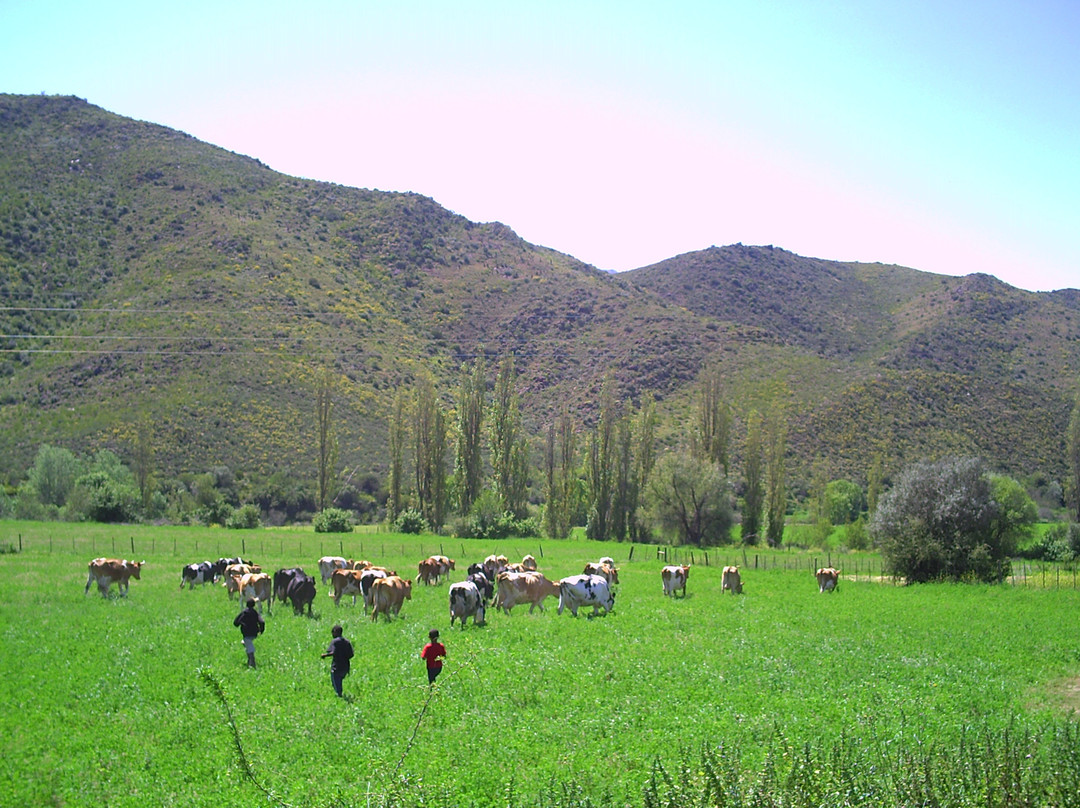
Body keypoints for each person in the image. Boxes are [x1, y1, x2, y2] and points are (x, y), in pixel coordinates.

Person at [321, 624, 354, 697]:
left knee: (336, 682)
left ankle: (340, 696)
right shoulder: (347, 642)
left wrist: (325, 655)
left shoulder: (335, 642)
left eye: (333, 632)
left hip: (337, 666)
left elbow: (333, 652)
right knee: (339, 680)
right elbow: (351, 654)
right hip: (345, 667)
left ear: (336, 632)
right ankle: (340, 694)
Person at [233, 597, 264, 668]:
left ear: (246, 604)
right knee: (247, 642)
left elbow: (236, 622)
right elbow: (262, 622)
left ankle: (252, 661)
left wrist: (240, 624)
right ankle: (249, 659)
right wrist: (261, 630)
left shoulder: (244, 613)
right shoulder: (255, 613)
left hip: (246, 633)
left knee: (249, 645)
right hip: (254, 633)